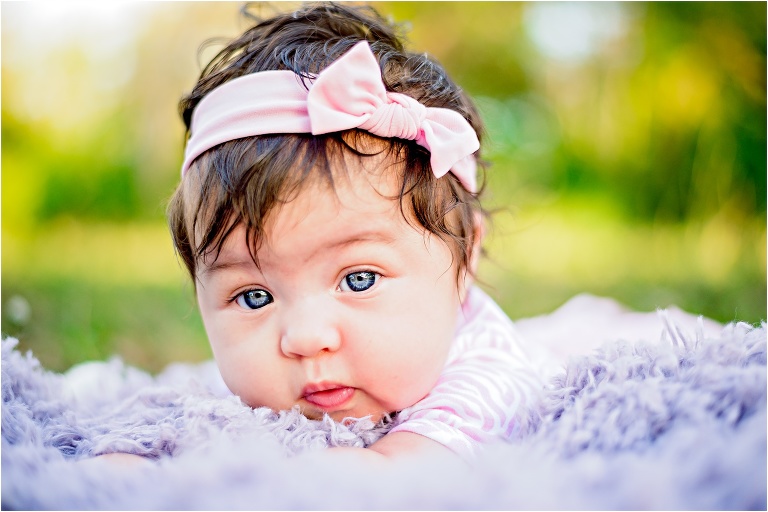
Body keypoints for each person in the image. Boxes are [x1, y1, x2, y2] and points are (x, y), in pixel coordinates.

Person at [166, 2, 548, 463]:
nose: (306, 339)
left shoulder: (490, 379)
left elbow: (383, 476)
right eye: (254, 296)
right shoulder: (251, 389)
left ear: (464, 261)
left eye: (359, 278)